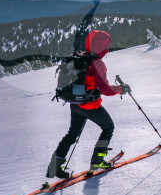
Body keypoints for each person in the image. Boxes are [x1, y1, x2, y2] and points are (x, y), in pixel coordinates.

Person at [47, 30, 131, 178]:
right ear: (101, 46)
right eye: (106, 45)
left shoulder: (81, 57)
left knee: (72, 134)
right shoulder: (97, 63)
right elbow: (105, 89)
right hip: (89, 106)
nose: (107, 48)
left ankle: (54, 167)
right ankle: (98, 161)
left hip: (75, 104)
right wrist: (121, 89)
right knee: (108, 127)